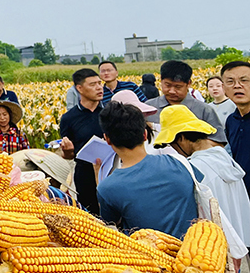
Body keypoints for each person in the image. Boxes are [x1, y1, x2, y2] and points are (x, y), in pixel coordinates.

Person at [96, 102, 201, 238]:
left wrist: (97, 176)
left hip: (148, 256)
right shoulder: (179, 163)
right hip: (194, 252)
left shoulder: (107, 188)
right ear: (145, 135)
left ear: (107, 139)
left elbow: (110, 226)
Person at [155, 104, 250, 249]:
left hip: (214, 247)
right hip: (239, 239)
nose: (173, 149)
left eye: (172, 143)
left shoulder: (195, 168)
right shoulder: (223, 157)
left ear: (181, 138)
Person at [146, 60, 227, 146]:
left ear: (188, 84)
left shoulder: (204, 110)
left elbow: (219, 142)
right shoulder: (149, 108)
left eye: (178, 87)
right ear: (161, 80)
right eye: (168, 85)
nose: (172, 91)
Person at [58, 68, 105, 214]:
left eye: (99, 83)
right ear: (80, 88)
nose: (99, 87)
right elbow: (68, 156)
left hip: (111, 169)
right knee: (91, 214)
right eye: (93, 84)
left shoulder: (110, 112)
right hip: (85, 173)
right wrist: (68, 151)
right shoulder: (69, 118)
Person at [222, 60, 250, 196]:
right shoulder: (231, 120)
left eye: (244, 80)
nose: (237, 86)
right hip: (242, 194)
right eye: (230, 82)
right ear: (224, 88)